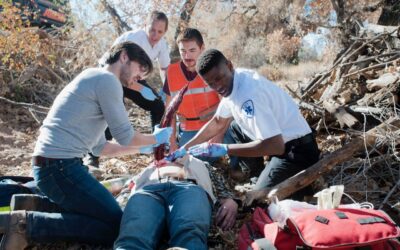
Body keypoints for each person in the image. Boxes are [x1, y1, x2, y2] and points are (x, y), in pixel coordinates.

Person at [0, 42, 172, 249]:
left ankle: (35, 205)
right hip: (59, 168)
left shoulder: (93, 78)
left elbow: (100, 148)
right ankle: (25, 225)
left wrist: (142, 148)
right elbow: (125, 135)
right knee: (116, 224)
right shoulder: (108, 81)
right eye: (139, 70)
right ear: (124, 57)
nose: (139, 78)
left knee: (97, 214)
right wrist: (155, 138)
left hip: (51, 167)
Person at [172, 49, 320, 200]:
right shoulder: (234, 80)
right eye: (211, 83)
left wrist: (225, 149)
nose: (217, 87)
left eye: (219, 78)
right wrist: (185, 148)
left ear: (229, 65)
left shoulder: (249, 94)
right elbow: (217, 122)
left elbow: (276, 146)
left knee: (258, 200)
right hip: (279, 143)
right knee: (235, 127)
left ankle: (298, 185)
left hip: (297, 152)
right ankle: (258, 174)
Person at [87, 10, 171, 167]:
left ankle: (157, 144)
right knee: (112, 112)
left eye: (160, 31)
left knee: (158, 105)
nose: (155, 35)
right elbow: (119, 70)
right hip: (113, 76)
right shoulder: (134, 38)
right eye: (152, 30)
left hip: (134, 77)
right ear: (145, 26)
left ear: (164, 32)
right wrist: (141, 90)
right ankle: (92, 155)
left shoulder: (162, 45)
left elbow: (165, 69)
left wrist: (166, 90)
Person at [113, 155, 238, 250]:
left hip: (188, 187)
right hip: (148, 191)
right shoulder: (149, 166)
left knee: (190, 233)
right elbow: (128, 188)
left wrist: (229, 200)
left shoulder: (199, 162)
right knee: (133, 235)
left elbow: (219, 183)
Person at [163, 28, 235, 164]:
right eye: (182, 51)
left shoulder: (213, 68)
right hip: (190, 133)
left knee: (235, 140)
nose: (187, 56)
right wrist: (172, 143)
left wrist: (219, 135)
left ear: (202, 48)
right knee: (186, 163)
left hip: (219, 127)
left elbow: (229, 106)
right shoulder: (171, 72)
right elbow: (169, 114)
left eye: (192, 50)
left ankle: (238, 168)